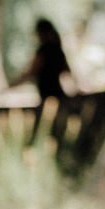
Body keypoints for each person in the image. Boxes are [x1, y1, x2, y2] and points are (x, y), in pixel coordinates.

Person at [11, 16, 74, 145]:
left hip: (48, 96)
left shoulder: (44, 51)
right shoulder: (57, 50)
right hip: (58, 96)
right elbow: (67, 73)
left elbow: (31, 73)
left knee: (45, 130)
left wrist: (12, 85)